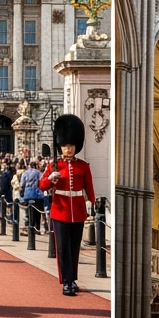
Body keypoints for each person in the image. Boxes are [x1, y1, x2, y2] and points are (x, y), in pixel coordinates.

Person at [40, 114, 95, 296]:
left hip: (78, 210)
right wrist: (50, 179)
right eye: (64, 146)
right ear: (60, 147)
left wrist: (92, 204)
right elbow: (42, 186)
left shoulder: (83, 166)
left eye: (70, 146)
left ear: (75, 147)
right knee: (62, 247)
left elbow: (89, 187)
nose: (68, 149)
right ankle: (66, 281)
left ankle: (73, 278)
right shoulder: (54, 166)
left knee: (74, 247)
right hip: (60, 211)